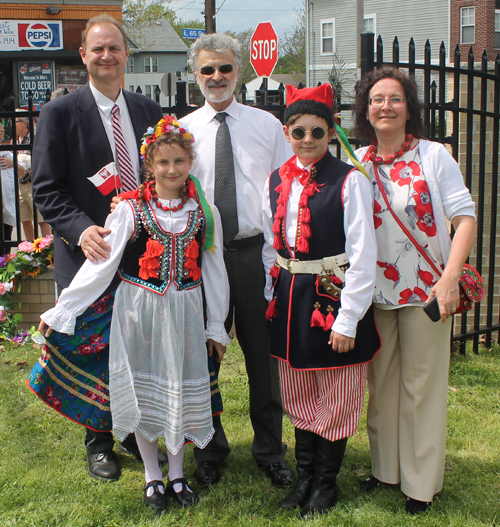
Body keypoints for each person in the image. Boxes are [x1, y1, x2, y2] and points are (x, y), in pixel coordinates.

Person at [35, 121, 230, 513]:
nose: (172, 169)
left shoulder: (203, 211)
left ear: (191, 161)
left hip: (186, 312)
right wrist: (64, 308)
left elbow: (215, 271)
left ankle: (177, 473)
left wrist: (217, 327)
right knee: (142, 392)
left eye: (179, 161)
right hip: (138, 311)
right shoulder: (129, 209)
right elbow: (101, 266)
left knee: (179, 388)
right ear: (149, 165)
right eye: (163, 162)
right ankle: (152, 477)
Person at [31, 14, 163, 482]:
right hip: (91, 254)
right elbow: (46, 190)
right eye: (98, 49)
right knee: (96, 348)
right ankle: (99, 440)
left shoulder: (150, 112)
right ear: (83, 55)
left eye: (115, 48)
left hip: (144, 257)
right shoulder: (60, 114)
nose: (107, 56)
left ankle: (132, 428)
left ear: (127, 54)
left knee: (137, 346)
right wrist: (82, 229)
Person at [352, 66, 476, 514]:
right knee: (381, 384)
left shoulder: (433, 156)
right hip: (376, 294)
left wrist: (448, 279)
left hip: (427, 292)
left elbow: (465, 219)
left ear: (409, 108)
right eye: (377, 99)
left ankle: (420, 483)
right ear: (366, 109)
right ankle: (386, 470)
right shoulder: (358, 160)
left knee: (421, 387)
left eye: (395, 99)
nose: (385, 107)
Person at [179, 32, 294, 488]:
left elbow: (287, 190)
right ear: (196, 75)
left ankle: (270, 450)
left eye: (224, 68)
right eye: (207, 69)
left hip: (254, 258)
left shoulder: (266, 125)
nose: (216, 77)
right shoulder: (183, 131)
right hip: (202, 260)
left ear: (239, 71)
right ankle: (210, 451)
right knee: (202, 358)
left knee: (263, 361)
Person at [262, 83, 380, 519]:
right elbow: (268, 246)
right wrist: (268, 293)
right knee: (299, 388)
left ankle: (325, 484)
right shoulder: (276, 180)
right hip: (292, 298)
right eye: (299, 132)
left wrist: (349, 319)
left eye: (317, 132)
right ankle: (305, 477)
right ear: (287, 132)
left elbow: (364, 254)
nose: (308, 140)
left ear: (331, 133)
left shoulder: (350, 181)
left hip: (332, 296)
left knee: (336, 391)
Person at [14, 110, 51, 240]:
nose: (13, 123)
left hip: (33, 184)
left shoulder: (34, 137)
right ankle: (30, 250)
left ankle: (48, 250)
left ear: (25, 123)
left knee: (41, 220)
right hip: (20, 184)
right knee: (25, 220)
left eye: (16, 121)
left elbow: (41, 160)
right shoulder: (15, 140)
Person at [0, 121, 26, 253]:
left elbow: (22, 172)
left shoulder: (7, 153)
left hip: (7, 209)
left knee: (5, 249)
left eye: (1, 126)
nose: (1, 129)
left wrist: (13, 163)